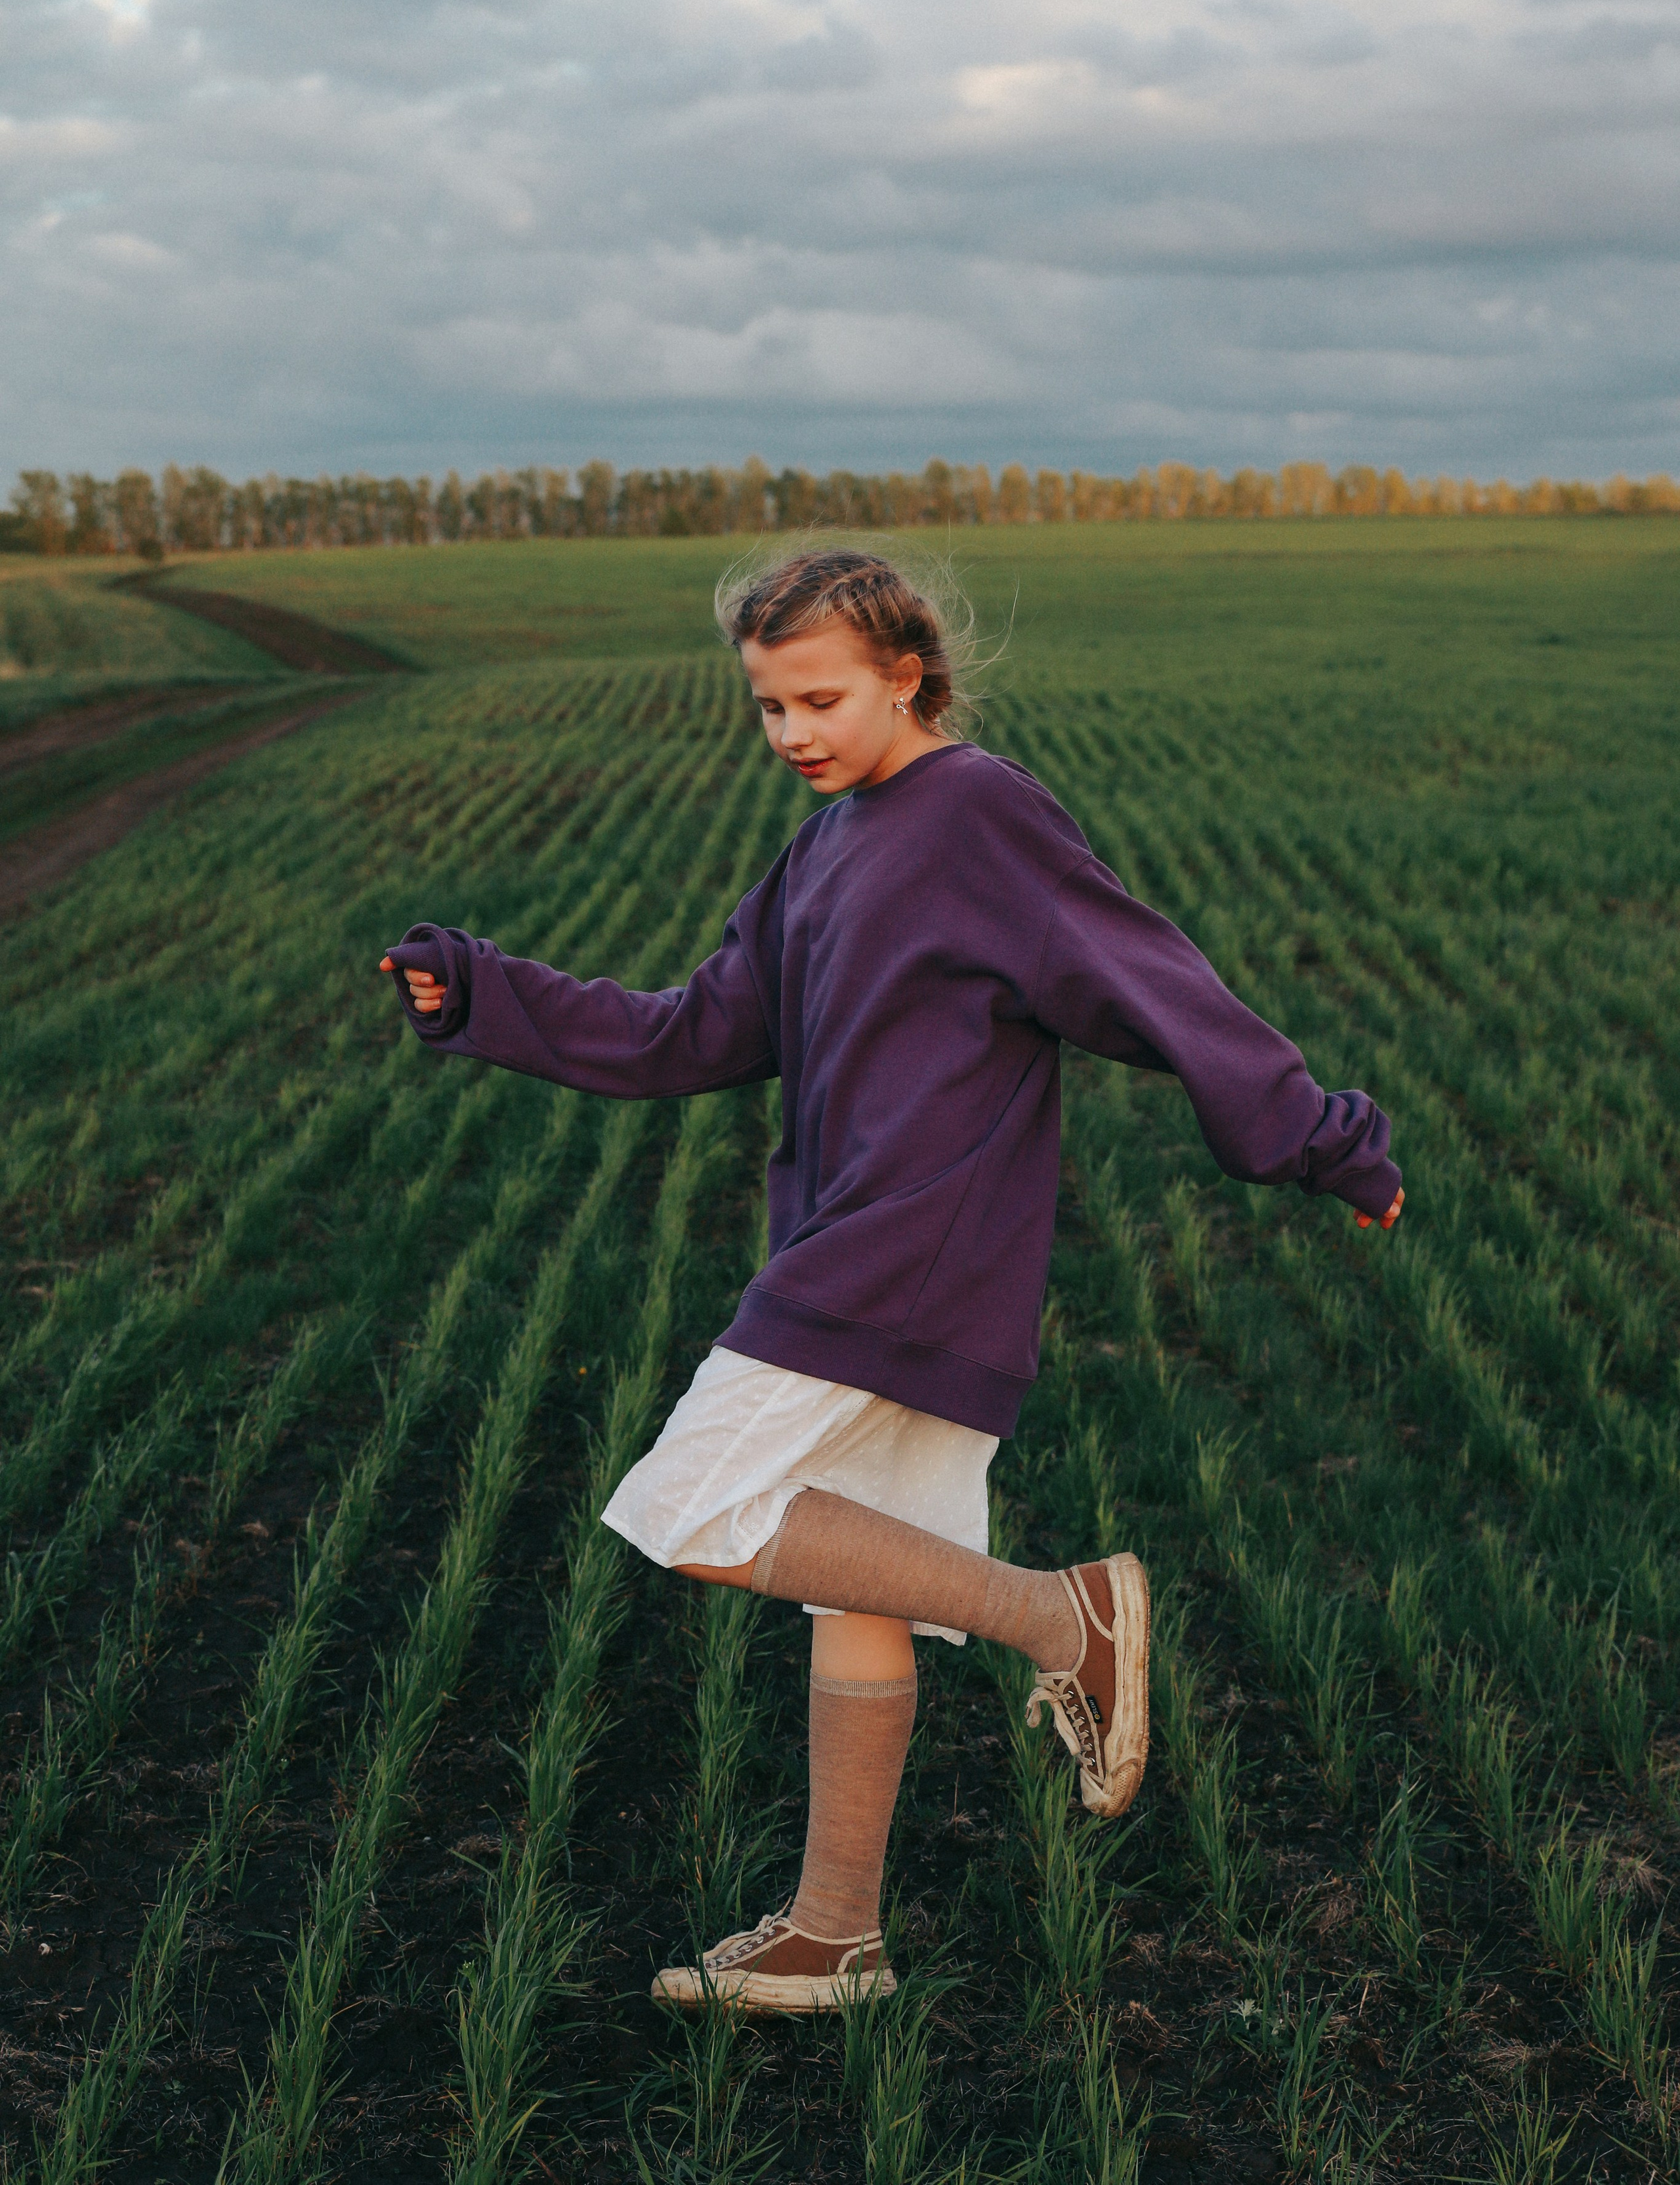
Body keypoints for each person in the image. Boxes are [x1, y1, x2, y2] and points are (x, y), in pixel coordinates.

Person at [381, 545, 1402, 2014]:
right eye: (767, 707)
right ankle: (833, 1934)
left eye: (819, 698)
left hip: (906, 1249)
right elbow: (693, 1035)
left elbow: (1152, 981)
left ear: (906, 673)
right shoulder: (820, 849)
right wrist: (486, 989)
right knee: (850, 1592)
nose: (792, 733)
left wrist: (1323, 1141)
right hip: (859, 1238)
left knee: (694, 1507)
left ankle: (1067, 1621)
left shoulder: (977, 813)